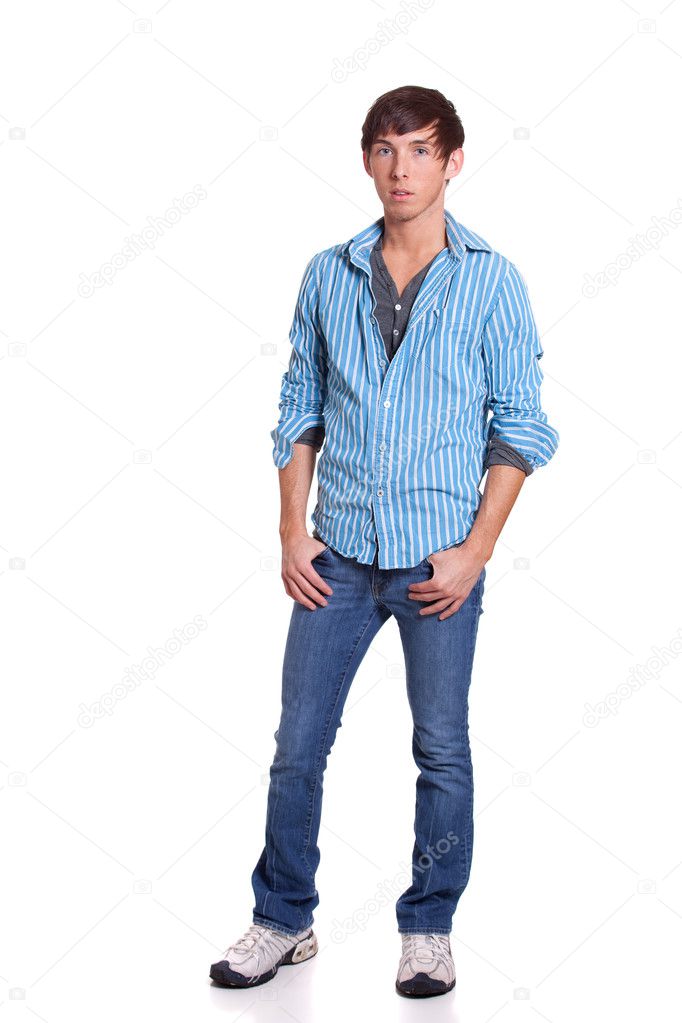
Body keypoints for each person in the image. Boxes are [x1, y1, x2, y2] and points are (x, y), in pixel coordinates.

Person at [210, 84, 559, 999]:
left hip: (440, 560)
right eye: (385, 150)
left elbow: (521, 426)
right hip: (339, 556)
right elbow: (299, 408)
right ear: (366, 159)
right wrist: (292, 528)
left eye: (420, 150)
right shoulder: (329, 272)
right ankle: (283, 917)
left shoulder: (492, 279)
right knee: (297, 742)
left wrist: (477, 549)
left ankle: (429, 927)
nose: (400, 169)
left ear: (452, 160)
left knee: (441, 745)